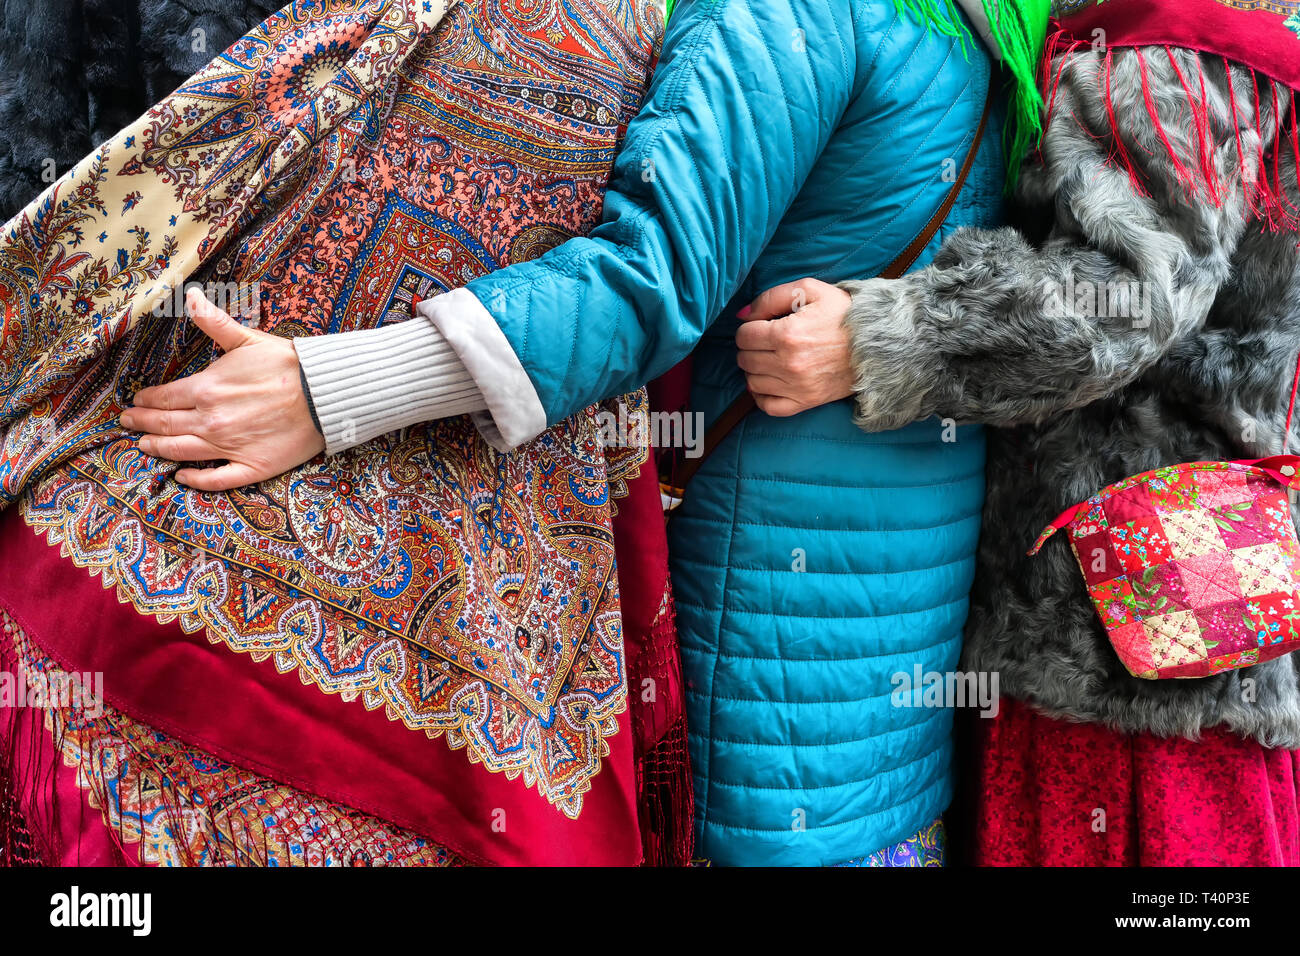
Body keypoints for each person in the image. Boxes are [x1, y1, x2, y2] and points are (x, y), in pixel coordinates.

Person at [120, 0, 1053, 865]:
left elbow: (648, 282)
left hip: (769, 617)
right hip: (894, 633)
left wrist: (327, 389)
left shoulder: (799, 11)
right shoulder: (988, 27)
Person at [0, 0, 688, 866]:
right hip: (184, 572)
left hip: (423, 626)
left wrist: (328, 390)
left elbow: (657, 277)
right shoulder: (643, 31)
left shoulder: (657, 32)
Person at [737, 0, 1300, 865]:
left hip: (1115, 645)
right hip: (1199, 610)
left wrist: (882, 339)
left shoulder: (1166, 41)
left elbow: (1128, 293)